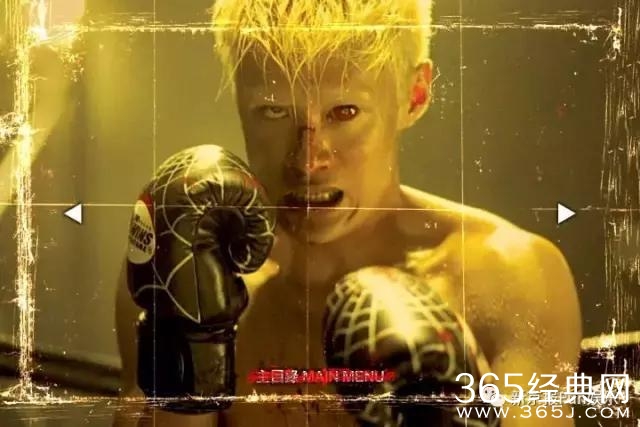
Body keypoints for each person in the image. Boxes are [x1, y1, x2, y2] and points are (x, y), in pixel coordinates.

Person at [114, 0, 582, 426]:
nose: (306, 161)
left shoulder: (506, 277)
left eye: (344, 112)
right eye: (274, 112)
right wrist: (186, 352)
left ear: (415, 94)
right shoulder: (183, 270)